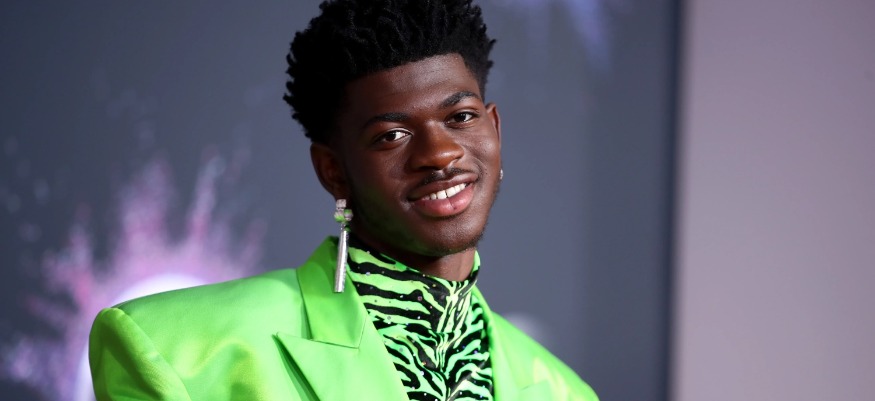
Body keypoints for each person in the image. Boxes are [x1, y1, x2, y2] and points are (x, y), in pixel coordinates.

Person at [88, 0, 599, 400]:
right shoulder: (177, 351)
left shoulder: (564, 392)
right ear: (333, 171)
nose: (440, 153)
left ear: (495, 128)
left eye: (460, 117)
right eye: (391, 135)